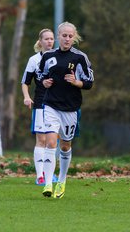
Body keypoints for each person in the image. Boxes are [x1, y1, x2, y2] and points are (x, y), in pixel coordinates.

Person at [38, 21, 94, 199]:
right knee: (50, 142)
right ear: (58, 36)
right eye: (64, 35)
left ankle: (61, 180)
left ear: (74, 37)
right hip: (51, 105)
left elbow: (89, 82)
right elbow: (41, 75)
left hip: (70, 108)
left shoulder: (80, 58)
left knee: (65, 145)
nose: (67, 39)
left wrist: (76, 82)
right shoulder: (48, 56)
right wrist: (44, 82)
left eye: (70, 36)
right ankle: (48, 184)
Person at [21, 28, 58, 186]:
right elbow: (25, 82)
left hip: (57, 103)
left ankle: (49, 172)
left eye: (51, 38)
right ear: (40, 41)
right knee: (41, 139)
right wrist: (27, 97)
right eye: (47, 39)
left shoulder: (59, 57)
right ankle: (40, 175)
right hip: (41, 103)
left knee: (52, 141)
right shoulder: (34, 60)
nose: (50, 41)